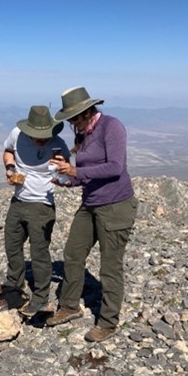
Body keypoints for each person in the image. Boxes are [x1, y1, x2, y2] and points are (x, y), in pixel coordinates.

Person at [46, 87, 138, 342]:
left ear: (88, 111)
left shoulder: (111, 127)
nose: (72, 123)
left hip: (116, 205)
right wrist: (68, 181)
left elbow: (116, 167)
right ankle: (69, 306)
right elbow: (87, 173)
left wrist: (76, 173)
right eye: (70, 120)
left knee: (110, 265)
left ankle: (108, 322)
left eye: (75, 118)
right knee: (73, 253)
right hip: (90, 204)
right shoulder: (84, 133)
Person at [3, 105, 70, 317]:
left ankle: (41, 296)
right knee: (11, 243)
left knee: (39, 252)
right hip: (18, 200)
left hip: (42, 204)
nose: (40, 140)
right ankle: (15, 284)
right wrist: (10, 168)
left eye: (43, 136)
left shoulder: (58, 145)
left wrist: (61, 169)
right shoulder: (16, 134)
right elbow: (7, 151)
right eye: (36, 136)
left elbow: (67, 173)